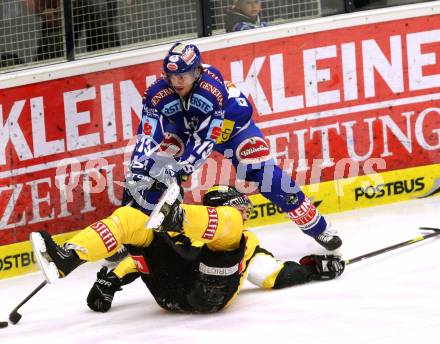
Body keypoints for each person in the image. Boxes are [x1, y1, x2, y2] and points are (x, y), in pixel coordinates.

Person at [124, 41, 343, 251]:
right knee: (152, 171)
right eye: (172, 76)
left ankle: (319, 228)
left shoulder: (212, 91)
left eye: (184, 76)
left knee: (267, 176)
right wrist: (138, 166)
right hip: (184, 129)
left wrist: (181, 169)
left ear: (197, 72)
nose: (177, 82)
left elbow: (205, 142)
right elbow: (147, 135)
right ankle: (135, 237)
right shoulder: (155, 93)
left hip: (232, 130)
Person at [30, 184, 345, 314]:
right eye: (241, 207)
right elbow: (270, 275)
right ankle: (66, 258)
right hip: (208, 294)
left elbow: (132, 264)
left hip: (168, 293)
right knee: (131, 219)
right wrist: (314, 269)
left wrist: (109, 282)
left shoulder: (185, 235)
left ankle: (68, 258)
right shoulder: (244, 238)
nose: (245, 212)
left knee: (131, 221)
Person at [23, 0, 120, 61]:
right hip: (60, 10)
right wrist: (43, 11)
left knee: (102, 26)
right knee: (56, 45)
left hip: (92, 9)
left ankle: (107, 62)